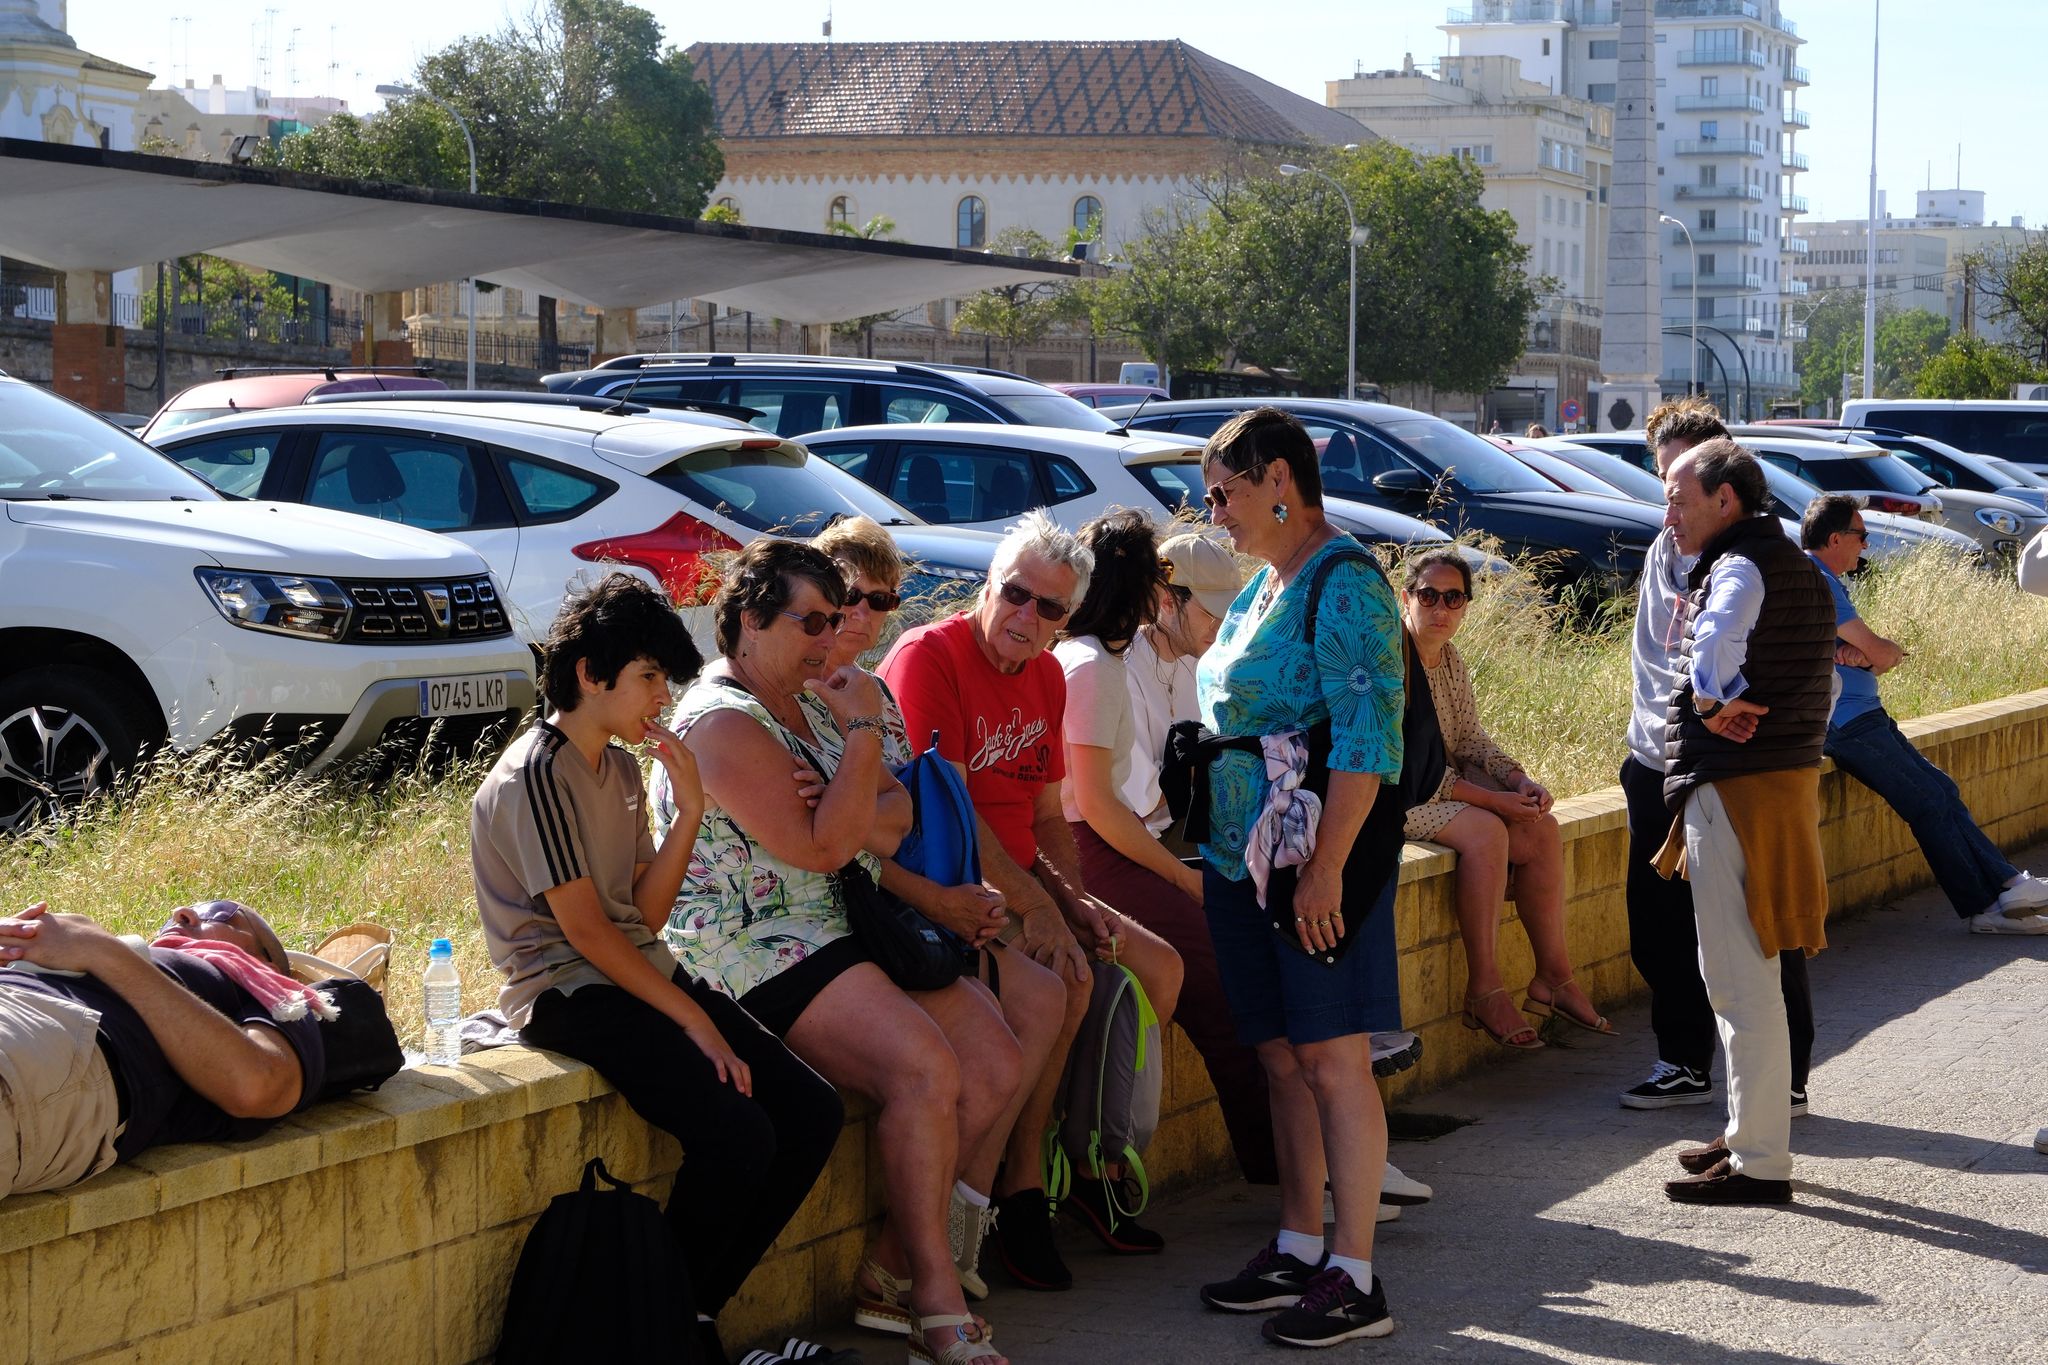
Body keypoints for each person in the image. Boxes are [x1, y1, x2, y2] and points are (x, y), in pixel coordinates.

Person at [470, 572, 846, 1365]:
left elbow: (641, 914)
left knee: (810, 1112)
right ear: (589, 673)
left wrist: (691, 807)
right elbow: (586, 933)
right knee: (738, 1133)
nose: (658, 698)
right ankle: (667, 1327)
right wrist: (694, 1018)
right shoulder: (536, 772)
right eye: (647, 677)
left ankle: (689, 1313)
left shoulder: (618, 766)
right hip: (568, 992)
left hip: (632, 970)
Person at [661, 541, 1012, 1365]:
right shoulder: (720, 720)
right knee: (926, 1068)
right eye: (811, 620)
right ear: (748, 621)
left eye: (837, 616)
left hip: (836, 922)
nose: (832, 637)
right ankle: (935, 1294)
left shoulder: (811, 703)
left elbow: (895, 819)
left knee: (993, 1054)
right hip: (751, 945)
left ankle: (891, 1267)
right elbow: (820, 846)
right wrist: (858, 748)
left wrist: (848, 790)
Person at [879, 510, 1184, 1292]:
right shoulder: (930, 657)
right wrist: (1041, 909)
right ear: (989, 585)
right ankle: (1022, 1188)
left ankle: (1089, 1163)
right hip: (954, 875)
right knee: (1068, 986)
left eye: (1050, 608)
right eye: (1016, 594)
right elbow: (950, 812)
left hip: (1025, 876)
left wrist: (1072, 899)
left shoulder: (1047, 674)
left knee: (1157, 965)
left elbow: (1047, 813)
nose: (1027, 616)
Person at [809, 514, 1068, 1300]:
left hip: (909, 909)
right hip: (841, 926)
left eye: (881, 601)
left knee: (1052, 996)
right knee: (995, 1030)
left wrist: (1053, 900)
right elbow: (843, 842)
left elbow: (898, 821)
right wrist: (955, 897)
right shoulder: (789, 694)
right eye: (844, 597)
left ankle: (961, 1223)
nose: (861, 616)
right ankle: (948, 1244)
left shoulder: (877, 697)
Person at [1187, 407, 1400, 1347]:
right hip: (1242, 857)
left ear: (1279, 478)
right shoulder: (1264, 586)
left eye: (1223, 493)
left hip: (1310, 858)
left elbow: (1367, 741)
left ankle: (1354, 1273)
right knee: (1277, 1055)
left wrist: (1325, 871)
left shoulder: (1343, 580)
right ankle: (1298, 1242)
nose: (1214, 513)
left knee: (1330, 1056)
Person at [1056, 509, 1281, 1219]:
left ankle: (1290, 1164)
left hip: (1128, 838)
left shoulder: (1106, 658)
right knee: (1227, 986)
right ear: (1151, 594)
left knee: (1237, 977)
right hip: (1103, 847)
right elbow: (1097, 806)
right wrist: (1185, 879)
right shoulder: (1093, 663)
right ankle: (1284, 1170)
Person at [1618, 399, 1815, 1115]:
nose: (1673, 491)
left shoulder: (1753, 558)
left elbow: (1724, 649)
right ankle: (1682, 1060)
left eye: (1687, 476)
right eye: (1665, 474)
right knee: (1658, 919)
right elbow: (1650, 654)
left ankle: (1783, 1079)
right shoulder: (1664, 548)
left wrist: (1711, 704)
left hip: (1729, 765)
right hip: (1654, 755)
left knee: (1762, 923)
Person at [1655, 437, 1835, 1206]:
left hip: (1738, 788)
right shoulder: (1795, 562)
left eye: (1680, 499)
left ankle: (1761, 1160)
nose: (1669, 515)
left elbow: (1715, 641)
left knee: (1738, 977)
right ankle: (1745, 1133)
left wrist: (1713, 699)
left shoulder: (1739, 566)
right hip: (1774, 782)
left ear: (1726, 501)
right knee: (1746, 970)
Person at [1801, 494, 2048, 934]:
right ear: (1835, 538)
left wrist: (1856, 652)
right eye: (1861, 535)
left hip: (1859, 715)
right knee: (1927, 801)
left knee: (1939, 789)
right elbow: (1877, 652)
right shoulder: (1816, 579)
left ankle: (2005, 889)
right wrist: (1883, 650)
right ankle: (1988, 905)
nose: (1867, 544)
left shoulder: (1820, 579)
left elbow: (1845, 650)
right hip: (1843, 722)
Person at [1397, 548, 1612, 1049]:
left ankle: (1554, 978)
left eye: (1453, 598)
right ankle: (1485, 987)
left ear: (1467, 606)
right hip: (1396, 797)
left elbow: (1470, 740)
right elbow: (1411, 770)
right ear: (1406, 599)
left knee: (1541, 827)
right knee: (1488, 831)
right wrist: (1494, 803)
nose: (1440, 608)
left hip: (1441, 788)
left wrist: (1518, 781)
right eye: (1428, 596)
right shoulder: (1394, 662)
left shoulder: (1450, 662)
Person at [0, 898, 336, 1201]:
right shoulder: (130, 967)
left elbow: (259, 1084)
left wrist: (99, 948)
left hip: (48, 1039)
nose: (182, 913)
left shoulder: (274, 995)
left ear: (269, 964)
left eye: (219, 912)